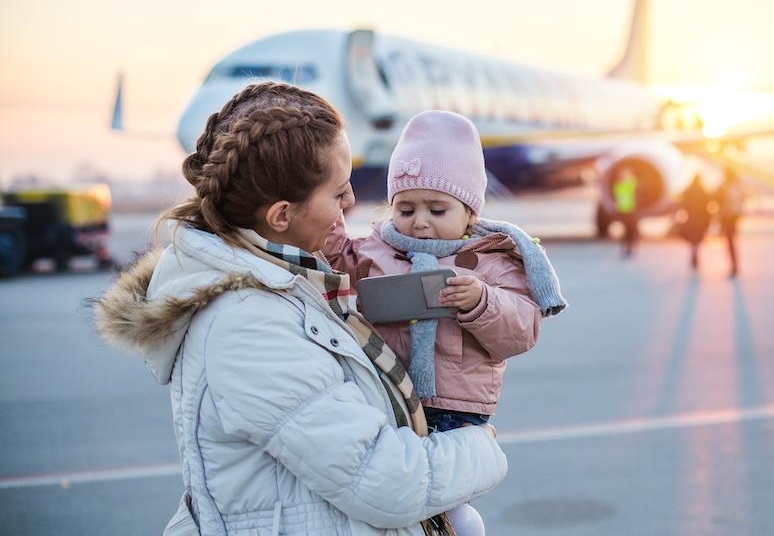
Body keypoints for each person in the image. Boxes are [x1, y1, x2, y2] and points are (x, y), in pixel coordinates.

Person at [91, 83, 507, 536]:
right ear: (282, 216)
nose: (350, 204)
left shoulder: (289, 282)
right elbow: (385, 482)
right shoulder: (247, 324)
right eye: (338, 193)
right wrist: (480, 446)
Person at [324, 110, 567, 536]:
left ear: (469, 212)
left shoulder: (492, 260)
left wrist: (482, 301)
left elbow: (523, 330)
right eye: (405, 208)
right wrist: (328, 209)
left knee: (448, 504)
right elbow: (337, 257)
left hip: (456, 408)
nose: (419, 221)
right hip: (390, 396)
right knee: (396, 496)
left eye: (437, 209)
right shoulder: (378, 248)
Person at [713, 167, 745, 278]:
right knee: (731, 241)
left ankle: (734, 266)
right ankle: (734, 264)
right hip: (734, 215)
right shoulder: (738, 185)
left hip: (727, 216)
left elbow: (718, 198)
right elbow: (742, 199)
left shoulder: (725, 186)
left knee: (729, 241)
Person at [679, 174, 712, 272]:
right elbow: (707, 204)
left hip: (691, 218)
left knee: (692, 239)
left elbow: (683, 201)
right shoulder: (703, 190)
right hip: (700, 218)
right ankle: (696, 254)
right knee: (697, 239)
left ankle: (693, 255)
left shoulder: (689, 190)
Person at [612, 167, 640, 257]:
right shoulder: (619, 185)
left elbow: (637, 185)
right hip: (622, 211)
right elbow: (616, 197)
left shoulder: (631, 183)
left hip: (631, 211)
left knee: (631, 230)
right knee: (626, 230)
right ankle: (626, 247)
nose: (624, 176)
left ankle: (630, 247)